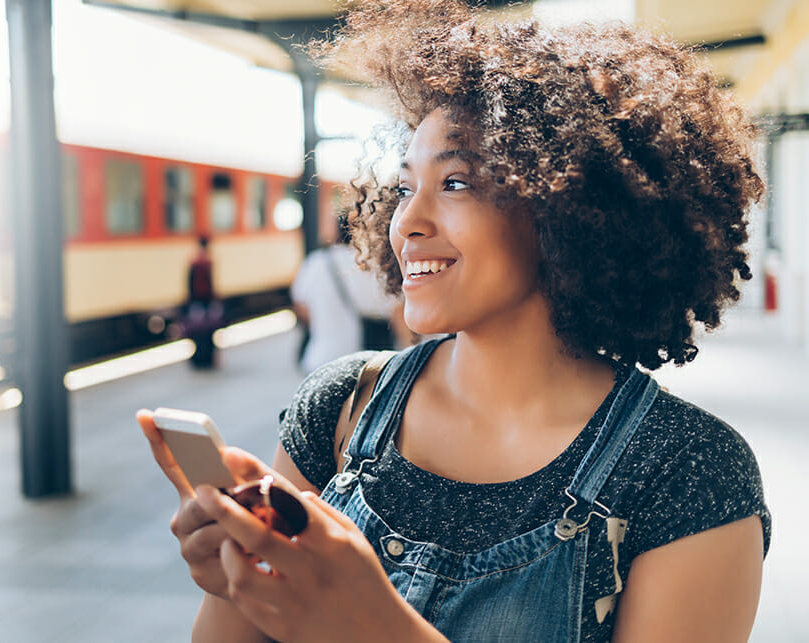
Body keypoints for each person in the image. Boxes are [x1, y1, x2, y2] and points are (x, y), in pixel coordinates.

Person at [134, 1, 771, 640]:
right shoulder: (341, 409)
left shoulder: (688, 473)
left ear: (573, 206)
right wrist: (235, 581)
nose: (407, 222)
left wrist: (371, 625)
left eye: (458, 183)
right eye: (406, 185)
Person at [291, 218, 406, 372]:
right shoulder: (367, 265)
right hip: (359, 365)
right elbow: (396, 311)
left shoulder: (315, 262)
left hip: (319, 360)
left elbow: (301, 307)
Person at [186, 235, 222, 369]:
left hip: (197, 302)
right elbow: (211, 285)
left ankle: (199, 360)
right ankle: (207, 359)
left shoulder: (194, 263)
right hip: (206, 302)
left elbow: (189, 285)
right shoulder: (207, 263)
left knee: (198, 331)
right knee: (208, 332)